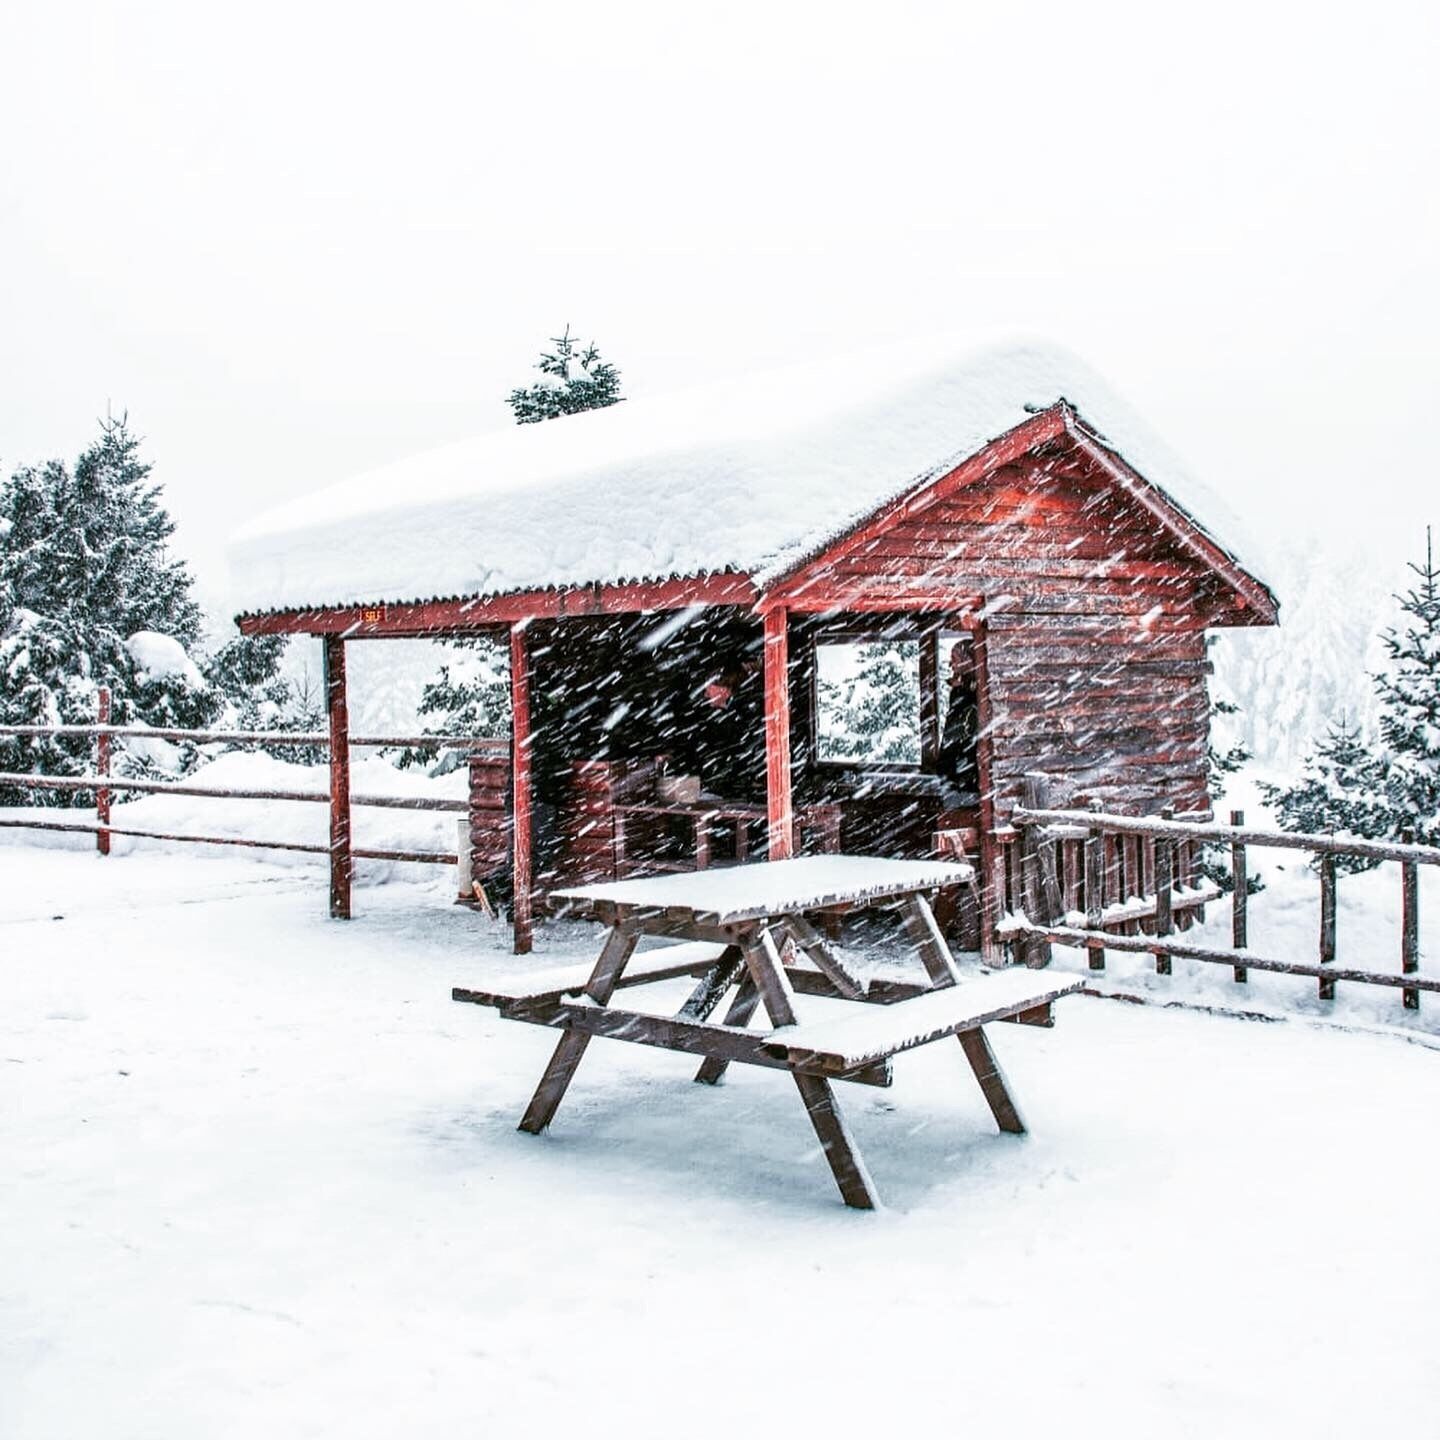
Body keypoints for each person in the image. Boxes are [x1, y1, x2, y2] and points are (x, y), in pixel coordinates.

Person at [937, 641, 980, 800]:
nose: (951, 664)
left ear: (968, 660)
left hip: (965, 767)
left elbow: (963, 731)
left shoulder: (974, 693)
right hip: (956, 767)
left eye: (955, 659)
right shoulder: (960, 691)